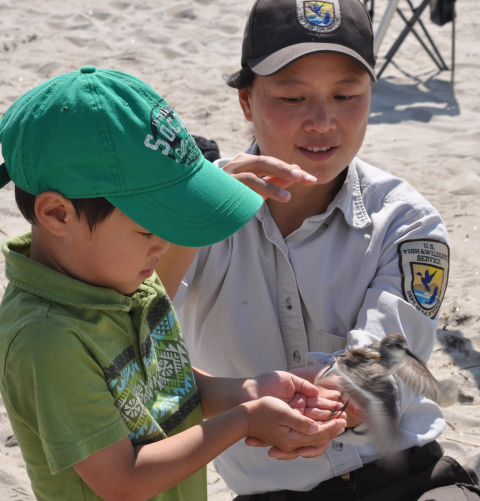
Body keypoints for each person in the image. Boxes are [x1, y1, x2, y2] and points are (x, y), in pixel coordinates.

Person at [157, 0, 480, 499]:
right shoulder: (192, 217)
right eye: (291, 98)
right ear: (246, 102)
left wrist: (324, 399)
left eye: (347, 94)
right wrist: (199, 216)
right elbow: (134, 328)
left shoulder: (405, 219)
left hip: (409, 479)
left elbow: (382, 359)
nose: (322, 121)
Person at [0, 66, 347, 501]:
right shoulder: (47, 338)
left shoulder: (123, 278)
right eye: (149, 230)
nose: (163, 247)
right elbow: (123, 481)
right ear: (56, 215)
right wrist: (242, 420)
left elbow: (163, 384)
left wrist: (251, 389)